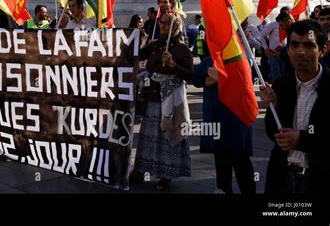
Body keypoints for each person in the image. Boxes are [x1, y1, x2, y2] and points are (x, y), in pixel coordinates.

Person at [260, 20, 330, 194]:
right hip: (283, 177)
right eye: (294, 45)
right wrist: (272, 108)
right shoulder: (281, 85)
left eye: (308, 45)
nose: (300, 52)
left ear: (322, 50)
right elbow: (273, 133)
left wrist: (302, 140)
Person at [129, 11, 193, 190]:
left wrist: (173, 65)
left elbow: (190, 76)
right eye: (161, 23)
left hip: (171, 101)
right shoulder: (156, 45)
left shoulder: (182, 49)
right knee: (148, 137)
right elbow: (136, 55)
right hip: (153, 99)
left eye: (166, 24)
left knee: (168, 138)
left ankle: (167, 173)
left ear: (176, 27)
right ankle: (140, 169)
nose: (162, 26)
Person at [193, 56, 256, 194]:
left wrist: (215, 75)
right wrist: (216, 74)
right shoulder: (210, 59)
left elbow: (237, 79)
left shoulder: (239, 57)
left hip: (237, 120)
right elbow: (196, 78)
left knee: (241, 164)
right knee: (222, 167)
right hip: (217, 120)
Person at [259, 12, 293, 82]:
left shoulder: (292, 28)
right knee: (276, 75)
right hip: (272, 53)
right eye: (280, 25)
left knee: (285, 73)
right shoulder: (273, 24)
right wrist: (265, 48)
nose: (281, 27)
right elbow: (261, 35)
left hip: (284, 53)